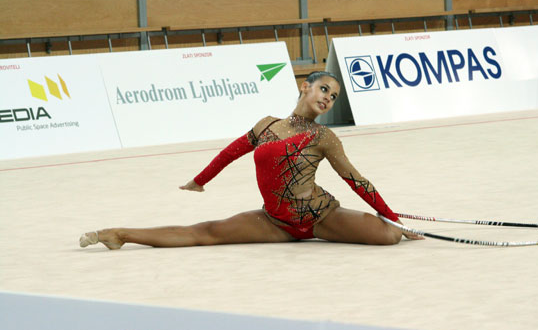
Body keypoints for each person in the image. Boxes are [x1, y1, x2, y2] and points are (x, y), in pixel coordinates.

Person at [79, 71, 423, 250]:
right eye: (324, 90)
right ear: (306, 86)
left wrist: (396, 221)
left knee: (389, 237)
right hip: (274, 221)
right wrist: (201, 180)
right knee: (204, 233)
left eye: (333, 97)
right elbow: (231, 151)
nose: (328, 98)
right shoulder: (267, 125)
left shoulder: (324, 138)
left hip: (320, 217)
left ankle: (392, 223)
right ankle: (120, 234)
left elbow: (356, 180)